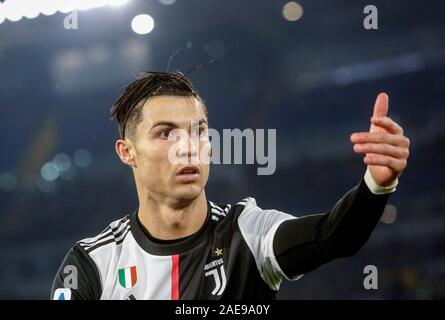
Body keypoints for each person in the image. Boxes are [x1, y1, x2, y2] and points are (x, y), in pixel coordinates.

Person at [51, 72, 410, 300]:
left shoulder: (248, 233)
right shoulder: (91, 265)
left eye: (199, 131)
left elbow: (333, 236)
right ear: (127, 152)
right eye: (165, 133)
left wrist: (376, 185)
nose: (187, 145)